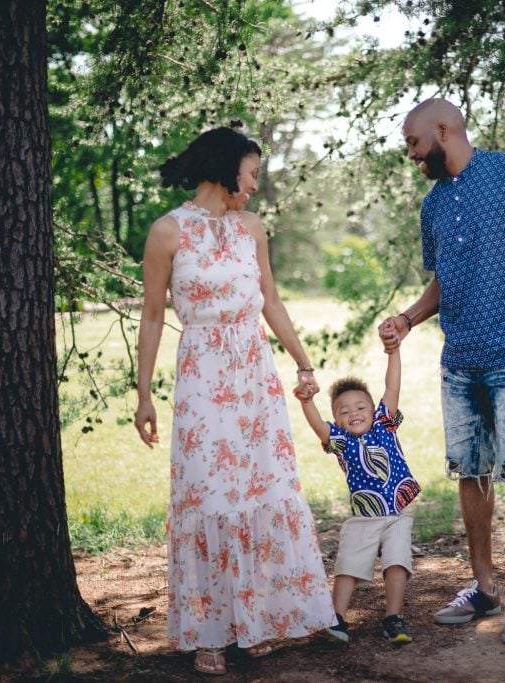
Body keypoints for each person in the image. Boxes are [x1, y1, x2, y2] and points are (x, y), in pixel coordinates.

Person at [134, 126, 337, 675]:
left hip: (254, 377)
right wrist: (144, 394)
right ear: (226, 169)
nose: (253, 187)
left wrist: (303, 360)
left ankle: (256, 621)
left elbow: (270, 299)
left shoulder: (251, 228)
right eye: (250, 175)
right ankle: (210, 632)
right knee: (209, 495)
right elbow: (153, 316)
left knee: (258, 492)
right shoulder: (167, 232)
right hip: (202, 377)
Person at [379, 98, 505, 646]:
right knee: (470, 472)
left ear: (443, 130)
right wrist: (408, 318)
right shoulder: (433, 205)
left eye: (414, 144)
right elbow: (442, 280)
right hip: (459, 361)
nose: (412, 155)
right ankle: (483, 586)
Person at [295, 326, 421, 645]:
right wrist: (307, 402)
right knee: (348, 565)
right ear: (337, 420)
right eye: (344, 411)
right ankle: (336, 618)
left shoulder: (384, 423)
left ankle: (393, 617)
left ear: (372, 409)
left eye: (360, 407)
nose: (354, 413)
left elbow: (392, 386)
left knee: (396, 562)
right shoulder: (340, 440)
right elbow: (317, 426)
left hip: (397, 512)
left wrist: (393, 353)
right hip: (364, 516)